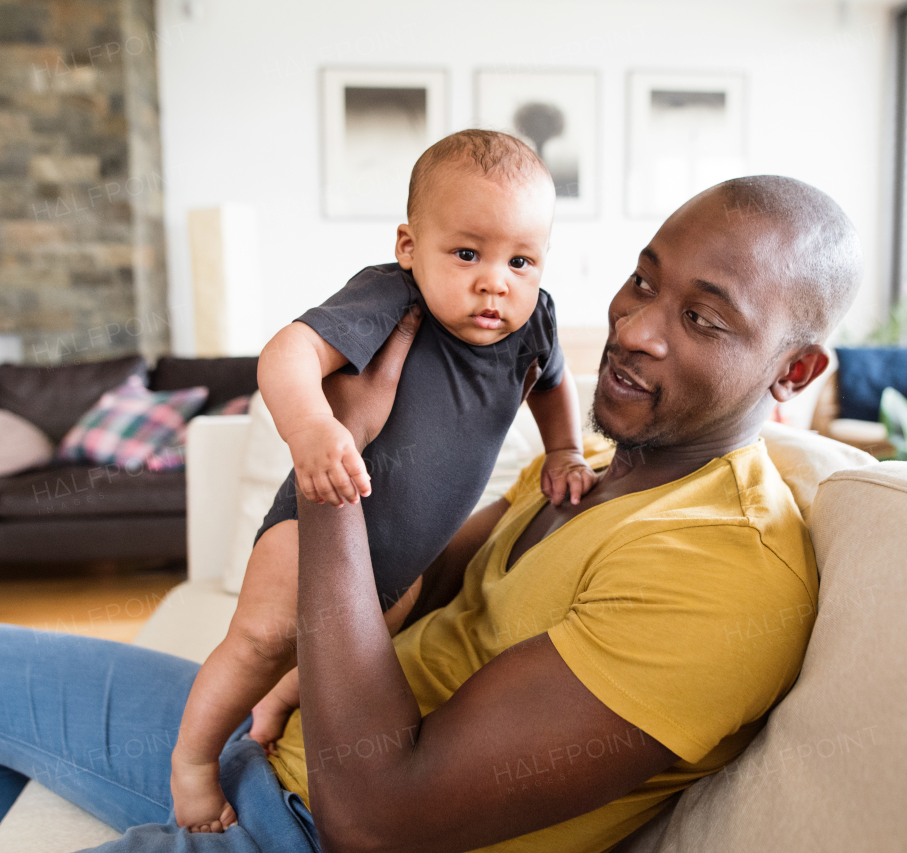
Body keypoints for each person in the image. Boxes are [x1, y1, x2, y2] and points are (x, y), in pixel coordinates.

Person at [0, 174, 862, 853]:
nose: (634, 327)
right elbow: (416, 572)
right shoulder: (598, 469)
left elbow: (376, 819)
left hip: (316, 822)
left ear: (796, 370)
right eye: (644, 279)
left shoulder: (725, 563)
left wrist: (337, 461)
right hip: (285, 739)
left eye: (703, 318)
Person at [169, 129, 598, 833]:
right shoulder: (392, 298)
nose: (496, 280)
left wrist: (565, 449)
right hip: (316, 529)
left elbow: (554, 384)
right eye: (467, 253)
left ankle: (276, 704)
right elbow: (286, 353)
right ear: (408, 246)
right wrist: (312, 428)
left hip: (402, 567)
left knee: (347, 659)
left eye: (521, 259)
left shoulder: (535, 318)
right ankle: (191, 759)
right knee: (261, 639)